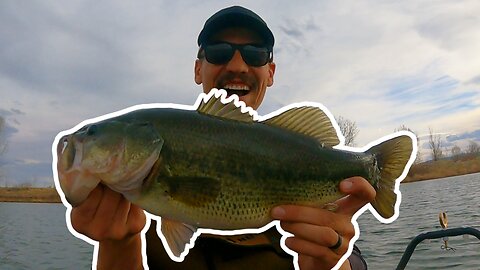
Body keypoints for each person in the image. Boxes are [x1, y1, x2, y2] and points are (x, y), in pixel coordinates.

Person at [70, 6, 375, 270]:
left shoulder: (315, 214)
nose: (237, 66)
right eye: (218, 51)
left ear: (270, 72)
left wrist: (328, 264)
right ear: (197, 69)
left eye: (255, 54)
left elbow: (350, 260)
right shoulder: (135, 214)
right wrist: (117, 243)